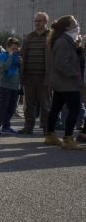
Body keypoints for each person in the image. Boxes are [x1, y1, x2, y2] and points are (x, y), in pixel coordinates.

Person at [44, 15, 86, 150]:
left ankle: (50, 135)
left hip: (61, 82)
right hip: (67, 82)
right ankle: (68, 139)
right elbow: (61, 63)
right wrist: (73, 73)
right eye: (75, 23)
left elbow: (71, 59)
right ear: (67, 27)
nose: (77, 25)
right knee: (75, 109)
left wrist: (78, 48)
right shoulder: (63, 41)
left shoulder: (65, 40)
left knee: (56, 108)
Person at [18, 12, 52, 134]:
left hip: (45, 76)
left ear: (46, 22)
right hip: (28, 75)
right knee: (29, 104)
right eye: (36, 21)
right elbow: (22, 52)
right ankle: (28, 127)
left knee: (46, 104)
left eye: (40, 21)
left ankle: (47, 128)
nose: (37, 23)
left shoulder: (51, 36)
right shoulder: (28, 37)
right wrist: (20, 57)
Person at [0, 37, 22, 135]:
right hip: (5, 84)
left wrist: (20, 63)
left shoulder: (17, 57)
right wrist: (10, 56)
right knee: (3, 106)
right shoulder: (3, 56)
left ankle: (6, 126)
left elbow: (20, 71)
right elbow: (4, 67)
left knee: (11, 107)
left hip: (14, 85)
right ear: (7, 47)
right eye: (13, 48)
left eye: (17, 49)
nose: (15, 51)